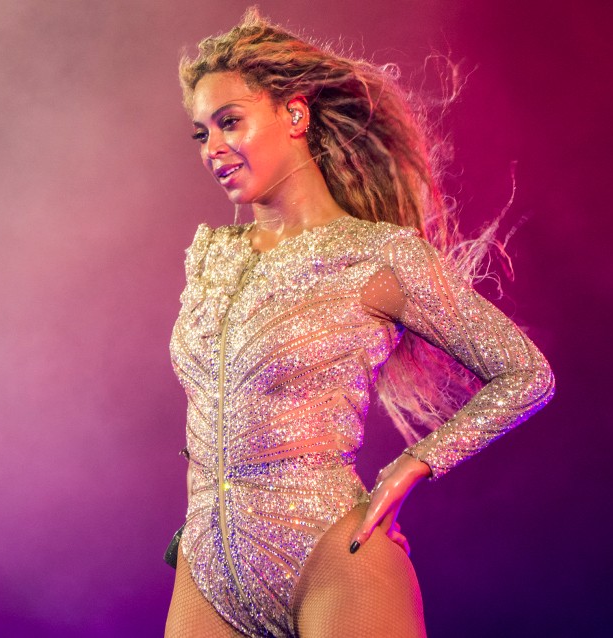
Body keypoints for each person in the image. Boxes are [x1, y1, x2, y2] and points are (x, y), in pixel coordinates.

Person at [164, 8, 555, 637]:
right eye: (200, 133)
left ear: (295, 114)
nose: (212, 149)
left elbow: (526, 374)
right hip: (208, 566)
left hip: (333, 554)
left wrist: (415, 463)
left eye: (229, 121)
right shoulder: (210, 257)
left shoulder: (378, 257)